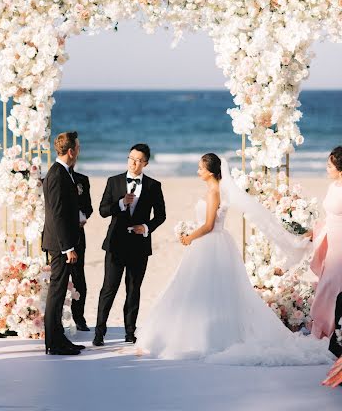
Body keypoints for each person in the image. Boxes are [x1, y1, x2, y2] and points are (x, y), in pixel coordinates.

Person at [136, 153, 329, 365]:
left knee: (202, 289)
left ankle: (203, 337)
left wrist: (189, 237)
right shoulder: (217, 190)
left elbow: (209, 225)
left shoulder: (213, 193)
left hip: (209, 242)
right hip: (213, 243)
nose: (198, 171)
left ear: (210, 172)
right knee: (208, 289)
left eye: (200, 168)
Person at [93, 143, 166, 346]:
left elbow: (161, 216)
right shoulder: (113, 181)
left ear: (146, 163)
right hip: (115, 244)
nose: (134, 163)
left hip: (139, 247)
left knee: (133, 290)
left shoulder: (153, 185)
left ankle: (130, 332)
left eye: (138, 160)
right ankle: (99, 333)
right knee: (109, 288)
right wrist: (120, 203)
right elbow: (103, 210)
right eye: (131, 158)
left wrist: (146, 227)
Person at [42, 131, 85, 356]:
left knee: (59, 292)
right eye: (78, 147)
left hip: (62, 242)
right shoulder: (57, 174)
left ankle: (59, 339)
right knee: (57, 292)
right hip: (59, 244)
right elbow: (57, 214)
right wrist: (67, 247)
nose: (79, 151)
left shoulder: (63, 172)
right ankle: (53, 343)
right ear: (70, 151)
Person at [310, 146, 342, 342]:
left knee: (335, 285)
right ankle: (324, 329)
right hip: (331, 239)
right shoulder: (333, 187)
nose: (326, 168)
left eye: (329, 166)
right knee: (326, 284)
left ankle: (334, 330)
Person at [70, 168, 93, 331]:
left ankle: (79, 317)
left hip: (78, 234)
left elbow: (89, 207)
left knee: (79, 276)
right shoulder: (52, 177)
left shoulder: (82, 179)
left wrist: (82, 215)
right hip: (56, 235)